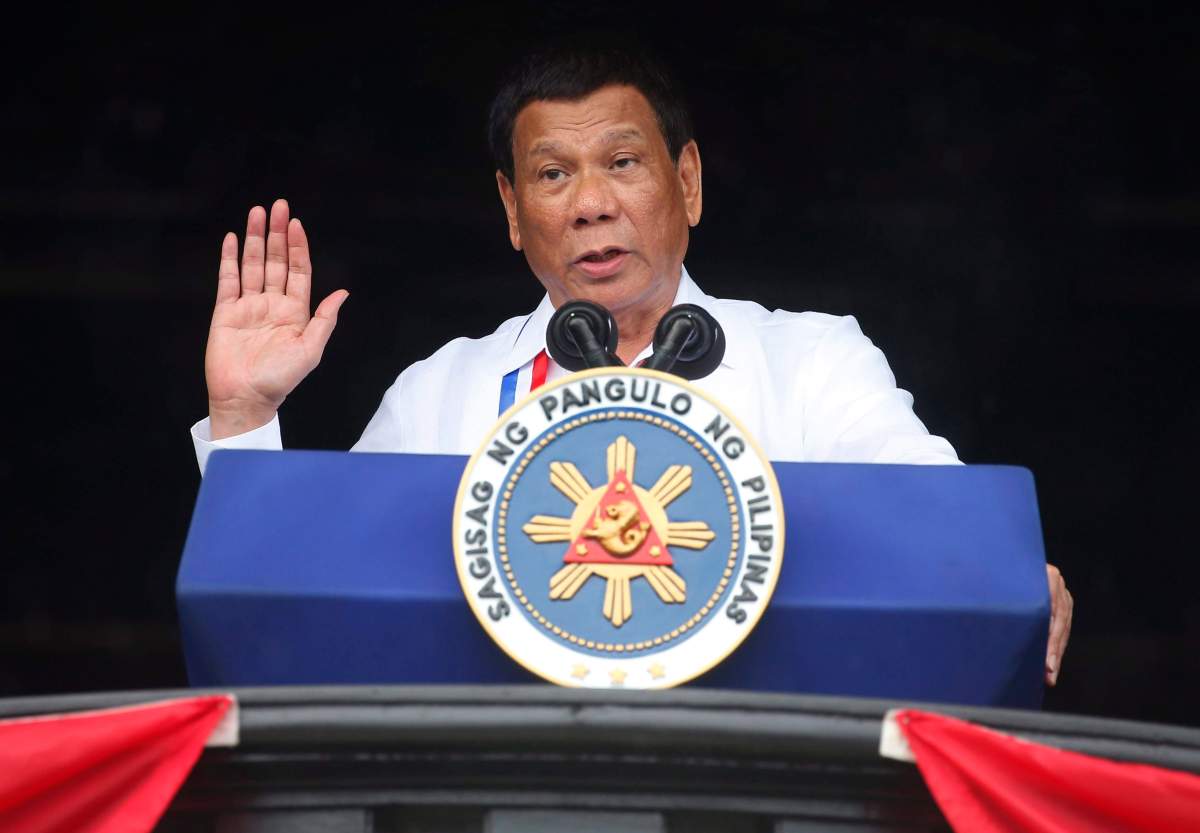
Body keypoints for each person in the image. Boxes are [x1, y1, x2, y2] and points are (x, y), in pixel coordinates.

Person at [190, 46, 1072, 685]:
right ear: (510, 207)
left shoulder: (811, 360)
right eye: (551, 175)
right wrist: (242, 424)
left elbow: (933, 516)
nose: (591, 206)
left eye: (621, 163)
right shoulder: (443, 389)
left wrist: (998, 570)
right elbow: (304, 607)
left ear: (686, 180)